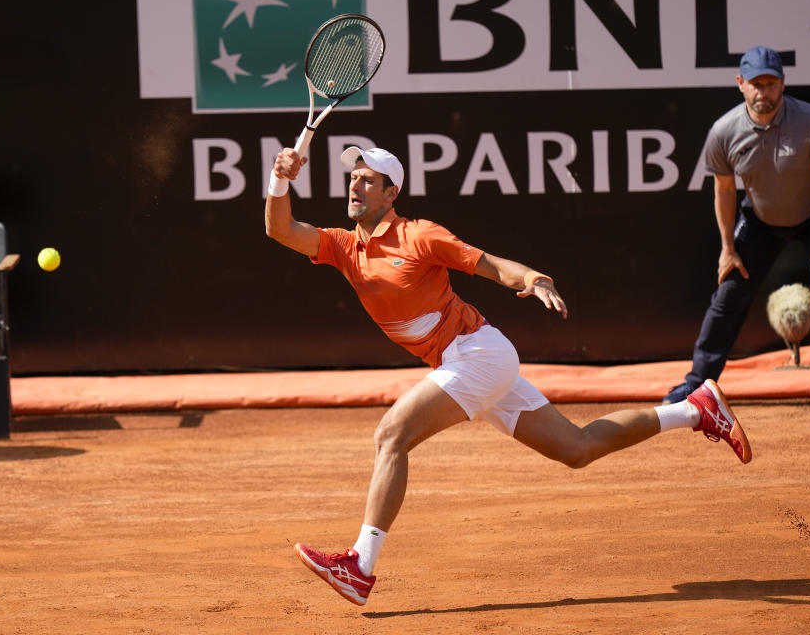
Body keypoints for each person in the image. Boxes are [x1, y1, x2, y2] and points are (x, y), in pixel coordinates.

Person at [266, 144, 752, 606]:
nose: (355, 186)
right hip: (463, 363)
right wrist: (279, 179)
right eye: (352, 178)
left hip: (478, 355)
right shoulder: (343, 246)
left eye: (367, 180)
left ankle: (360, 567)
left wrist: (534, 279)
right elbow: (280, 230)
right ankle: (696, 410)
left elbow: (493, 266)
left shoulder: (420, 235)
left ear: (391, 193)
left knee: (392, 434)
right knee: (576, 449)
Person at [663, 46, 810, 420]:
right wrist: (728, 248)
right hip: (759, 220)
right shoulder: (724, 132)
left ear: (782, 84)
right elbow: (725, 191)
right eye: (756, 84)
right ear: (741, 84)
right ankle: (697, 384)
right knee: (729, 291)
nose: (764, 92)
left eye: (771, 83)